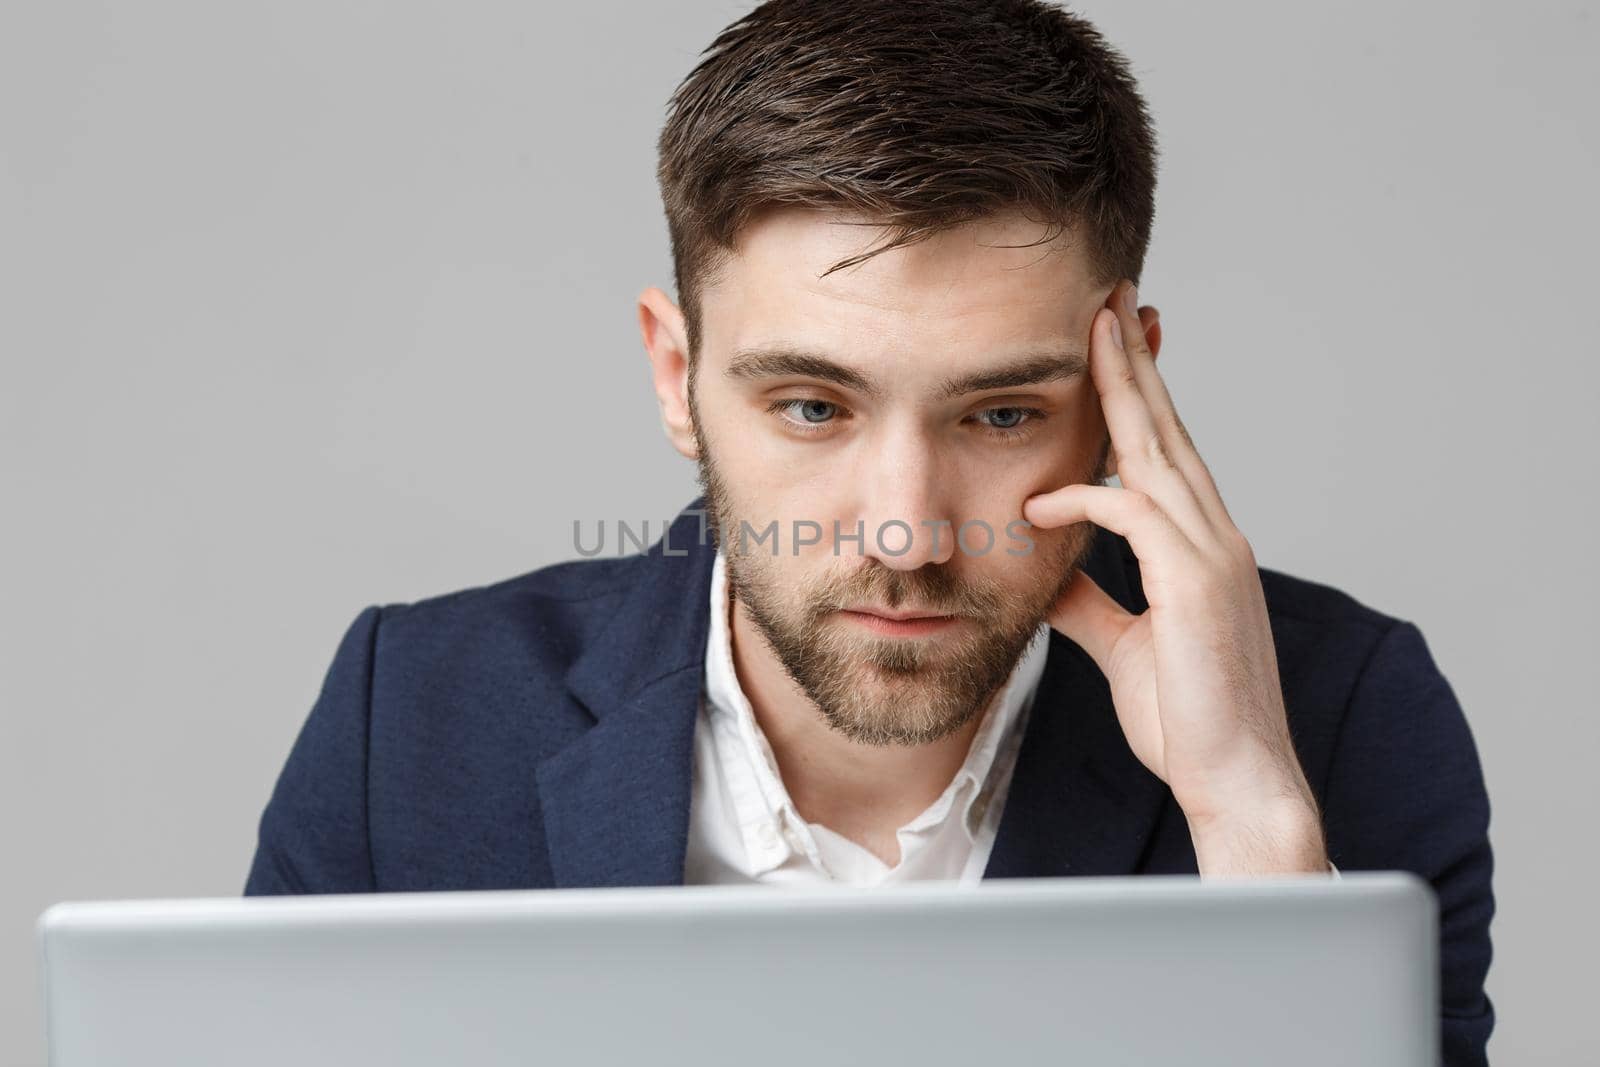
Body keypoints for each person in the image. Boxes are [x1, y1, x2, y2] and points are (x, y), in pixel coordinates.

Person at [243, 1, 1494, 1062]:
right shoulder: (406, 718)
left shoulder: (1341, 721)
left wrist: (1254, 831)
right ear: (677, 376)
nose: (905, 530)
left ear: (1127, 395)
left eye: (1002, 412)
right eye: (810, 405)